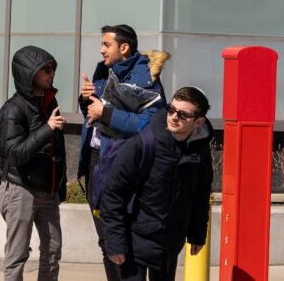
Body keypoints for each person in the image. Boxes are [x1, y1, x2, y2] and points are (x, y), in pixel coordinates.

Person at [77, 24, 168, 278]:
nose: (101, 50)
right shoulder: (104, 72)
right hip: (96, 163)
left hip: (122, 167)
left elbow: (149, 125)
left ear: (124, 47)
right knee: (107, 240)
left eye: (107, 45)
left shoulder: (145, 79)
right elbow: (94, 114)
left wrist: (105, 113)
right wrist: (86, 100)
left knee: (121, 241)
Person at [99, 86, 214, 281]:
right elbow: (112, 193)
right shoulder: (144, 143)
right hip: (134, 242)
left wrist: (196, 233)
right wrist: (115, 242)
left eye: (183, 114)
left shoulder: (200, 152)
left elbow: (200, 195)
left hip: (169, 244)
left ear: (198, 121)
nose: (174, 117)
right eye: (171, 109)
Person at [0, 45, 67, 281]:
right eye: (45, 69)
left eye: (52, 68)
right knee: (17, 256)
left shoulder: (48, 101)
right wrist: (47, 130)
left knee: (52, 252)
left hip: (48, 192)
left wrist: (60, 185)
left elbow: (59, 149)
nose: (51, 73)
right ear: (28, 73)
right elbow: (15, 154)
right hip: (20, 189)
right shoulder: (13, 109)